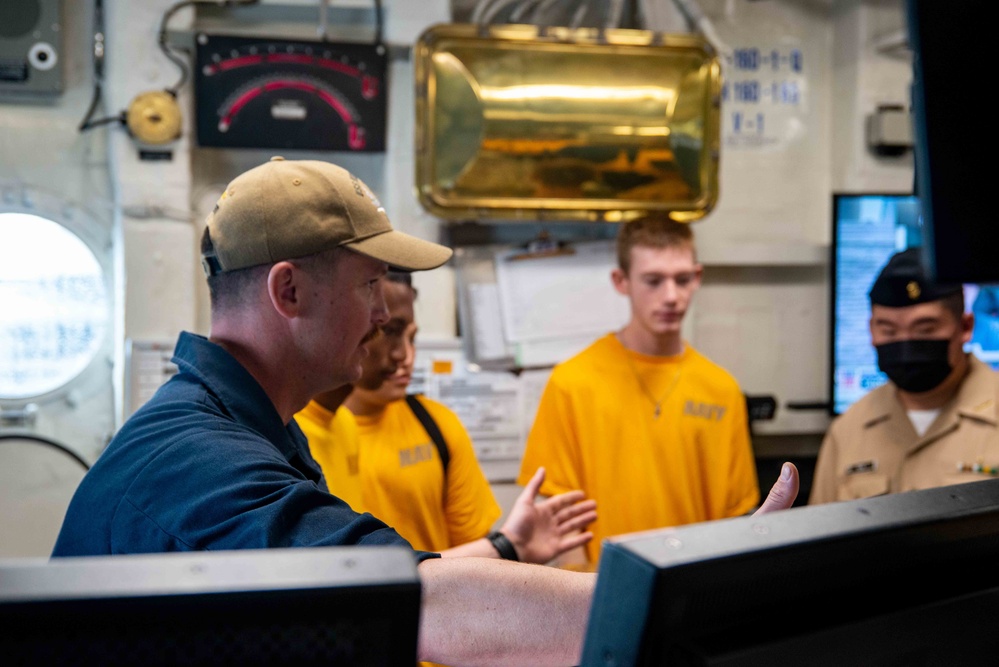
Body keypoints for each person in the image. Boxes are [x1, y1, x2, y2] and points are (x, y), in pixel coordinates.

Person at [52, 157, 799, 665]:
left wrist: (504, 548)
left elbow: (375, 581)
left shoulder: (247, 425)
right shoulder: (198, 461)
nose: (384, 314)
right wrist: (693, 603)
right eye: (369, 284)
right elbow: (421, 597)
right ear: (289, 292)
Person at [298, 270, 597, 563]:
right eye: (385, 330)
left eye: (411, 337)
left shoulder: (417, 425)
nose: (406, 356)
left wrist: (509, 547)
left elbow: (365, 573)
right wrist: (507, 547)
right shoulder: (291, 436)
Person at [517, 215, 760, 568]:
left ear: (697, 277)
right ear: (622, 281)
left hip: (695, 595)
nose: (671, 297)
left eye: (682, 279)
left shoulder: (721, 390)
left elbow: (734, 518)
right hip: (601, 593)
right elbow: (562, 521)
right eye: (653, 281)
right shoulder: (572, 383)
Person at [810, 247, 999, 504]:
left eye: (924, 330)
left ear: (965, 327)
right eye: (888, 330)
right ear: (871, 330)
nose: (906, 344)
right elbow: (823, 539)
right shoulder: (849, 430)